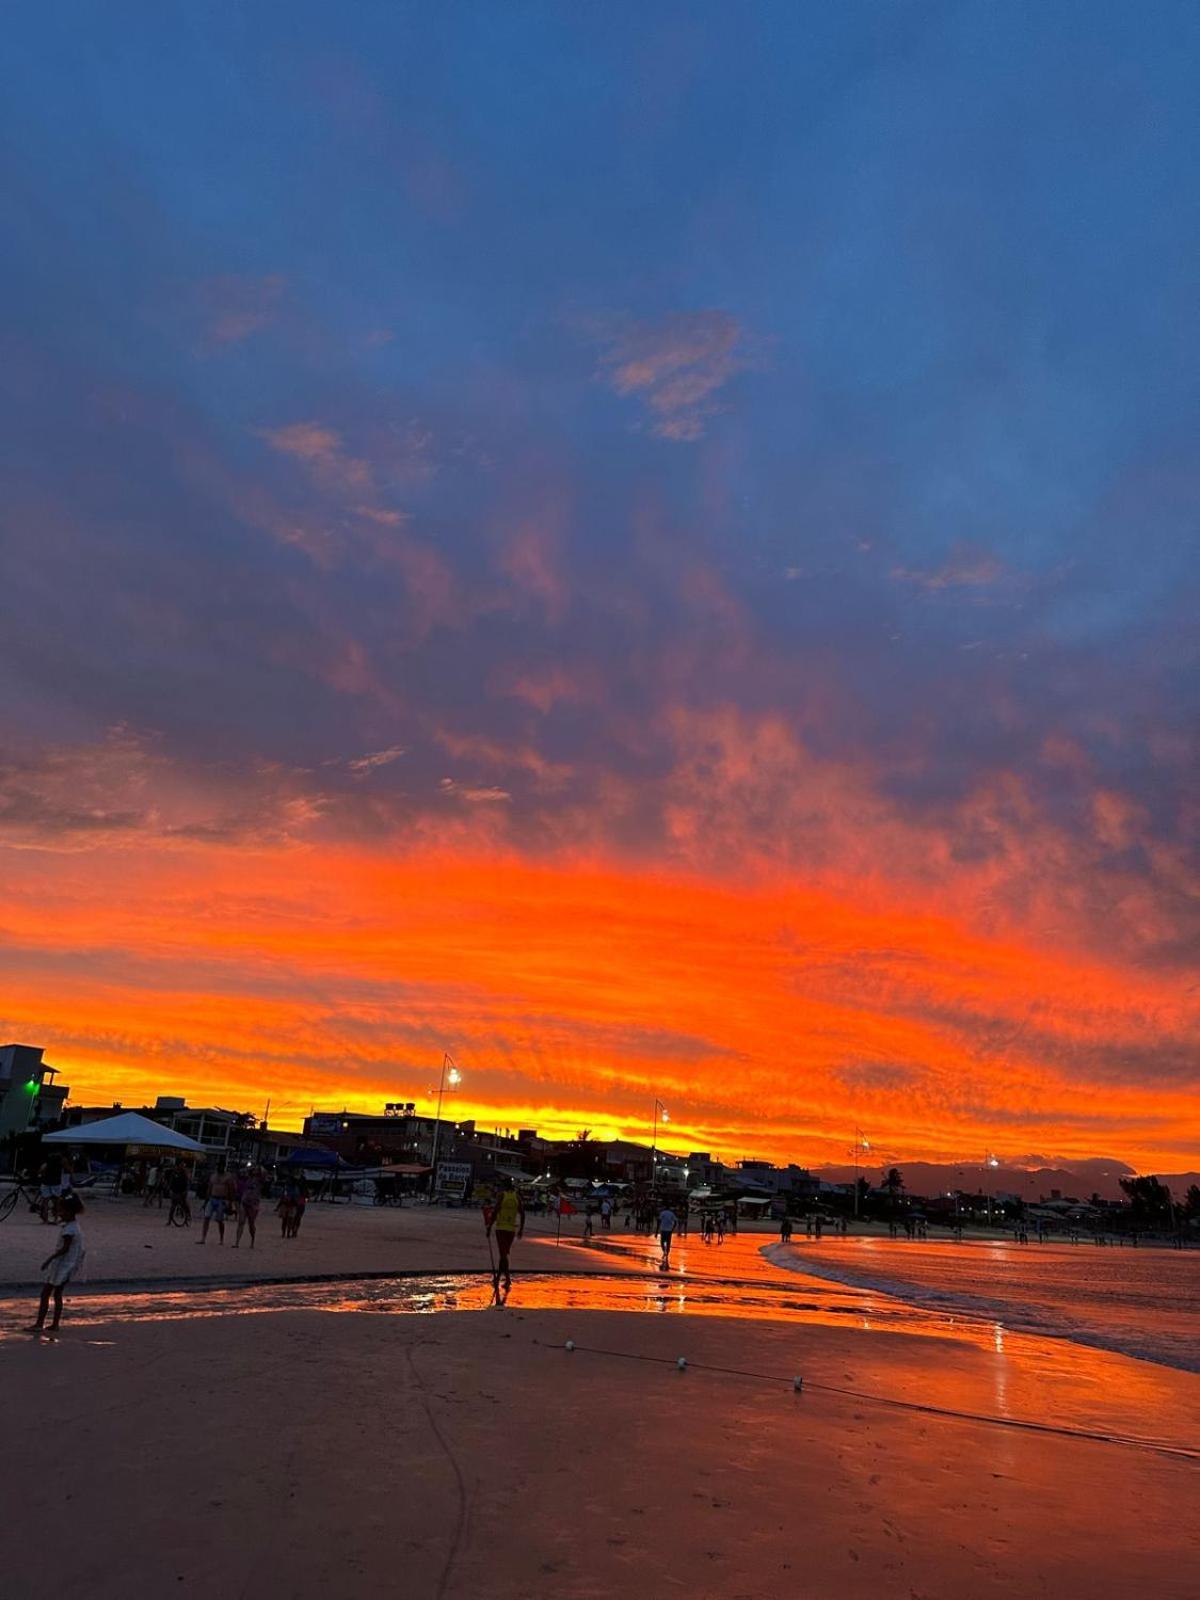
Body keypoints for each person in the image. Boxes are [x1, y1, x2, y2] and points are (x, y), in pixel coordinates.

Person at [29, 1194, 86, 1334]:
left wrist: (49, 1260)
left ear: (69, 1211)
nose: (59, 1213)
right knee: (56, 1294)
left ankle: (40, 1323)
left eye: (61, 1211)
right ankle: (54, 1324)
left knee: (46, 1293)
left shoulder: (69, 1230)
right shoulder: (73, 1226)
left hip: (64, 1265)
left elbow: (64, 1249)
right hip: (67, 1264)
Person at [486, 1177, 525, 1291]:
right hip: (511, 1230)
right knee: (503, 1254)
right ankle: (502, 1279)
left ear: (504, 1186)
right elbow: (522, 1214)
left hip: (502, 1228)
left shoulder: (502, 1196)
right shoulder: (516, 1196)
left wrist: (489, 1227)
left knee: (503, 1255)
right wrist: (521, 1229)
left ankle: (503, 1279)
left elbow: (496, 1211)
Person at [199, 1167, 237, 1245]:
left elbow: (231, 1190)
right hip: (212, 1198)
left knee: (220, 1220)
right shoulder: (213, 1176)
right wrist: (206, 1202)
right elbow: (209, 1189)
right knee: (206, 1217)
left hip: (222, 1199)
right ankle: (203, 1238)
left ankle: (221, 1238)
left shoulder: (228, 1177)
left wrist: (230, 1202)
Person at [234, 1166, 262, 1248]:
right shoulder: (247, 1178)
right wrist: (251, 1168)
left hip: (253, 1204)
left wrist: (258, 1169)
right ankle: (237, 1242)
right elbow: (240, 1172)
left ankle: (252, 1240)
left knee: (251, 1223)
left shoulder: (260, 1180)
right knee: (241, 1222)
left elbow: (264, 1172)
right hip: (244, 1202)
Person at [165, 1161, 191, 1226]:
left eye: (183, 1165)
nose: (182, 1166)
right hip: (175, 1191)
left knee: (184, 1204)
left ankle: (188, 1216)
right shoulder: (174, 1173)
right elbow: (171, 1182)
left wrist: (186, 1191)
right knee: (173, 1206)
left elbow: (188, 1182)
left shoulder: (185, 1173)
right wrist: (170, 1189)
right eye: (181, 1165)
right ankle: (169, 1220)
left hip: (182, 1191)